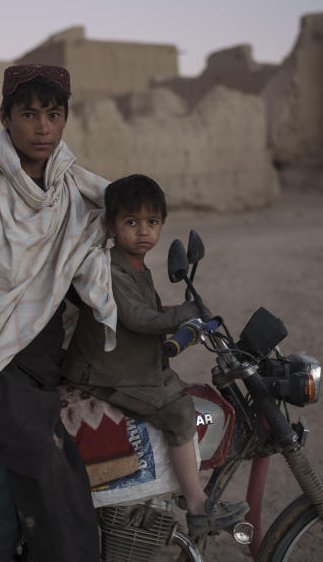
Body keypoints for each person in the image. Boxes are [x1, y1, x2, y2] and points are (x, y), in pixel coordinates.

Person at [0, 64, 116, 562]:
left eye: (53, 115)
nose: (43, 128)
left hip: (46, 361)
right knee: (47, 464)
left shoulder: (75, 189)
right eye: (29, 114)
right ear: (5, 117)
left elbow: (95, 262)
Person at [62, 174, 249, 536]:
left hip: (129, 364)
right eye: (131, 222)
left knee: (182, 390)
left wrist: (184, 315)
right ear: (112, 225)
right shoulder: (108, 268)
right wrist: (184, 313)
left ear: (162, 223)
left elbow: (150, 312)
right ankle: (196, 506)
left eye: (151, 222)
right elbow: (137, 318)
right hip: (104, 372)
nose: (142, 231)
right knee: (179, 411)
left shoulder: (136, 264)